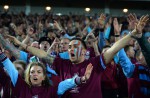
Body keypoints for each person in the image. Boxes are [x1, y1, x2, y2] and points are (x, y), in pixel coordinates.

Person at [2, 14, 149, 98]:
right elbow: (43, 54)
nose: (71, 49)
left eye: (75, 46)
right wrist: (24, 46)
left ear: (85, 51)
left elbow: (114, 48)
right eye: (70, 47)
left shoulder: (95, 63)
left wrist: (133, 34)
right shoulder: (62, 63)